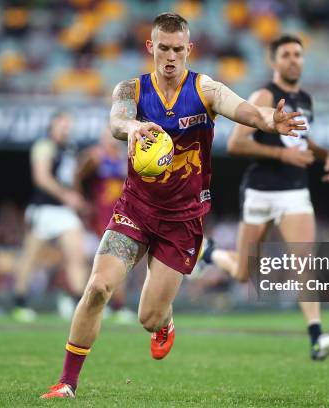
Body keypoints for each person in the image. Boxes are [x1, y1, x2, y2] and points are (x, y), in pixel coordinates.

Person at [40, 13, 307, 399]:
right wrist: (132, 128)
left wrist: (269, 120)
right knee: (98, 287)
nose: (170, 56)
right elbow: (117, 120)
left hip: (183, 219)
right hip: (136, 208)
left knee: (147, 317)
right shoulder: (130, 90)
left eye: (177, 49)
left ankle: (164, 323)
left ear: (189, 50)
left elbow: (243, 109)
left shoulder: (205, 90)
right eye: (162, 48)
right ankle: (67, 383)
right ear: (151, 47)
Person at [198, 34, 329, 361]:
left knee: (304, 262)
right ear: (274, 61)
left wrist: (325, 153)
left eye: (298, 54)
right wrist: (282, 157)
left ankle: (316, 338)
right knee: (241, 273)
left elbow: (300, 142)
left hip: (294, 191)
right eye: (287, 55)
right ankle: (209, 254)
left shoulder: (305, 99)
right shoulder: (265, 94)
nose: (294, 60)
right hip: (260, 191)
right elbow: (236, 143)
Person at [12, 111, 88, 322]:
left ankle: (79, 304)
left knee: (76, 255)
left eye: (68, 123)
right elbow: (41, 177)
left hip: (63, 211)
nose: (66, 127)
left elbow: (71, 177)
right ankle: (20, 302)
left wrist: (77, 198)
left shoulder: (70, 148)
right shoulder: (44, 146)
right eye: (62, 123)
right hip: (44, 208)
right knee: (31, 257)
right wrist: (67, 196)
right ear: (53, 124)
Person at [75, 128, 135, 323]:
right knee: (109, 258)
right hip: (100, 216)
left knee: (117, 258)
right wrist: (82, 201)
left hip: (120, 213)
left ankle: (113, 305)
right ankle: (110, 305)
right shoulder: (95, 156)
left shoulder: (126, 155)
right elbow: (78, 176)